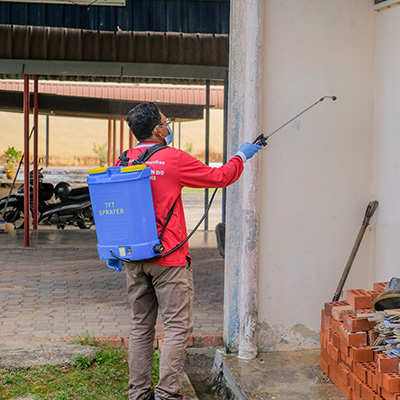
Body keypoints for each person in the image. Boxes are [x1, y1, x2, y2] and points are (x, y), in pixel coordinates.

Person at [112, 102, 262, 400]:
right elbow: (220, 177)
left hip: (133, 257)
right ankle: (167, 394)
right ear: (157, 129)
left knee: (141, 326)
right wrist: (241, 156)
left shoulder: (122, 161)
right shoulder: (172, 159)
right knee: (177, 326)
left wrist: (113, 250)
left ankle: (139, 394)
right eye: (166, 121)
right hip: (168, 259)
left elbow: (113, 207)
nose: (169, 126)